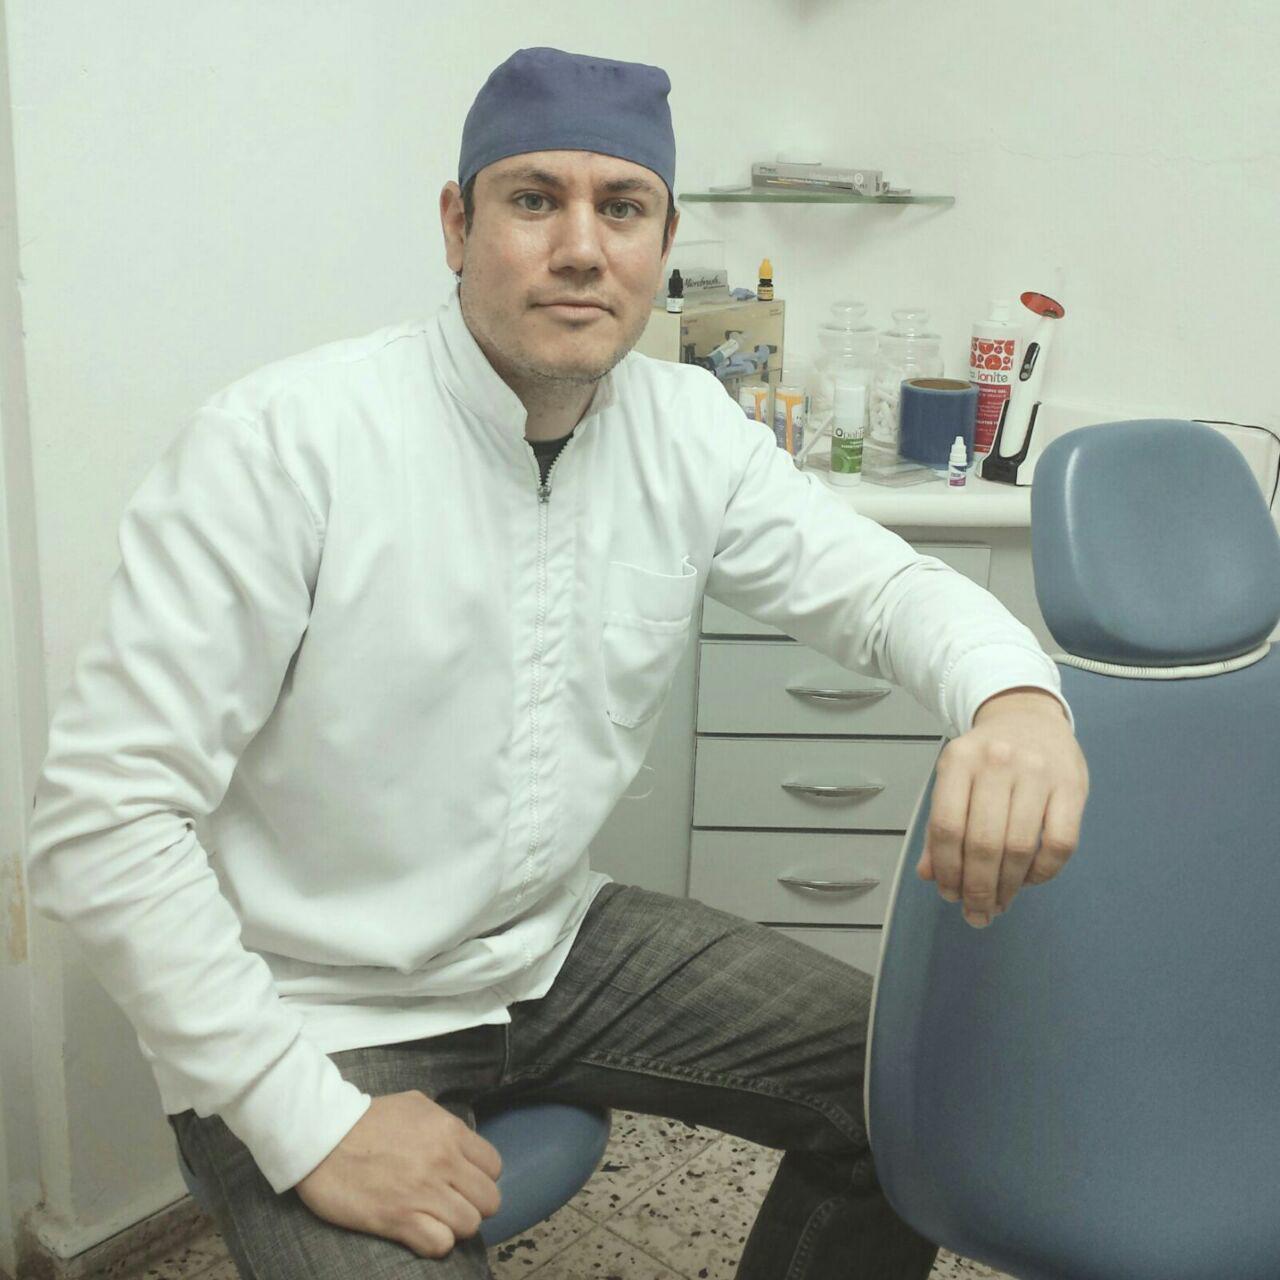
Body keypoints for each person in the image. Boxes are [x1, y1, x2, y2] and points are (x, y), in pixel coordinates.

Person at [26, 45, 1089, 1280]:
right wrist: (304, 1115)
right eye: (534, 199)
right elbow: (100, 819)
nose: (581, 247)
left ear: (661, 241)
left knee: (919, 1088)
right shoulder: (283, 446)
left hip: (552, 948)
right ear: (455, 224)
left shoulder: (688, 431)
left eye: (621, 207)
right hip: (313, 1000)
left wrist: (1016, 697)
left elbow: (886, 589)